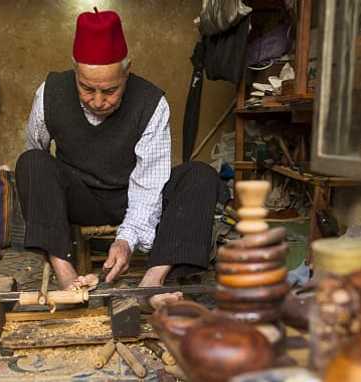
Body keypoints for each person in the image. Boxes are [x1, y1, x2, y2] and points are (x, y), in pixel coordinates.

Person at [16, 8, 221, 306]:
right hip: (80, 198)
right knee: (32, 161)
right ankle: (66, 275)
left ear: (127, 72)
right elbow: (35, 150)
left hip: (132, 195)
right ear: (75, 72)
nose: (98, 101)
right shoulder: (50, 94)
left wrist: (126, 240)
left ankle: (153, 281)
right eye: (86, 88)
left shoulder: (152, 104)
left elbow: (149, 186)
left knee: (200, 174)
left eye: (110, 90)